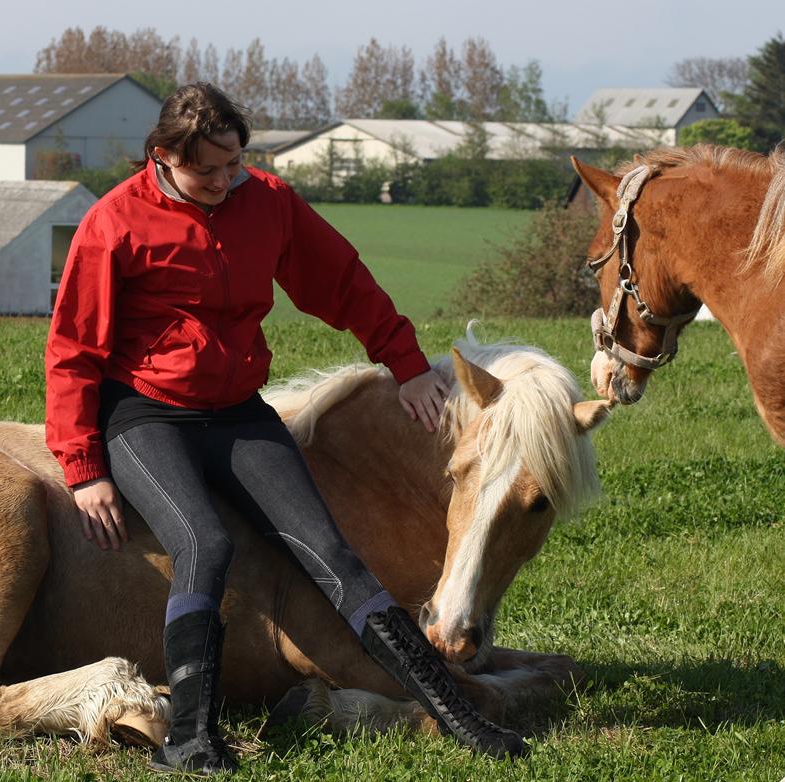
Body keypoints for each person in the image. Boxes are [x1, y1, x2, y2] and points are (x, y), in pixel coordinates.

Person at [45, 83, 526, 774]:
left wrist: (407, 361)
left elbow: (341, 280)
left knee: (335, 553)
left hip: (238, 411)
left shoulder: (267, 201)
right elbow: (72, 350)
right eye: (204, 171)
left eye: (233, 164)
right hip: (145, 412)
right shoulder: (113, 223)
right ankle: (189, 737)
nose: (222, 182)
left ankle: (461, 717)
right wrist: (84, 466)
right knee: (203, 543)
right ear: (161, 157)